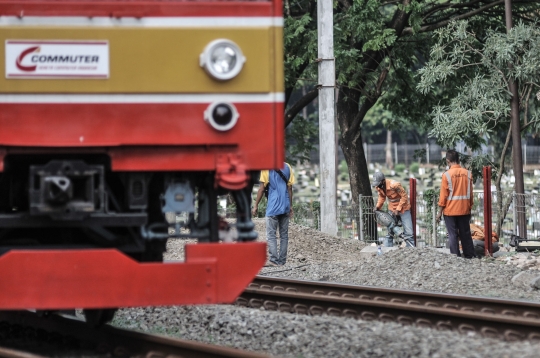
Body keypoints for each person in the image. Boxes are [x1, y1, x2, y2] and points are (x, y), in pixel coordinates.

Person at [252, 163, 295, 266]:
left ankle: (274, 260)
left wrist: (256, 205)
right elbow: (289, 188)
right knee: (284, 235)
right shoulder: (288, 167)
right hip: (285, 205)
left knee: (271, 235)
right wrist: (290, 206)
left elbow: (262, 188)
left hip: (273, 206)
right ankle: (282, 261)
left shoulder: (266, 168)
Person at [436, 150, 475, 258]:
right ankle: (470, 256)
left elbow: (443, 196)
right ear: (458, 159)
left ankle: (455, 257)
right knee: (465, 234)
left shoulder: (446, 175)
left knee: (453, 235)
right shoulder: (468, 173)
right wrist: (469, 207)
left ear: (448, 161)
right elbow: (470, 194)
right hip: (464, 209)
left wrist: (439, 212)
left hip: (450, 211)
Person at [372, 171, 415, 247]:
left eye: (378, 183)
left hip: (403, 208)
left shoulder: (395, 185)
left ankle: (411, 249)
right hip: (392, 209)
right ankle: (387, 250)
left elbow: (404, 196)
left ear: (383, 181)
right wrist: (377, 207)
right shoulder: (378, 187)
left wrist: (398, 209)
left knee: (409, 232)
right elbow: (382, 197)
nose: (377, 185)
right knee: (390, 231)